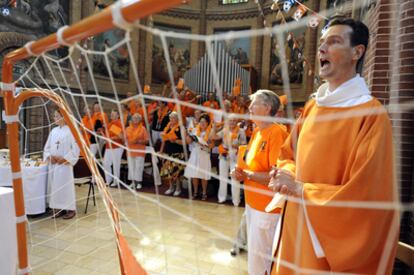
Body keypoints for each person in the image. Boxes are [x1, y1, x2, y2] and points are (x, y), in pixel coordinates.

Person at [269, 18, 399, 274]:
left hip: (328, 245)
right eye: (321, 44)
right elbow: (288, 154)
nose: (322, 49)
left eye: (334, 42)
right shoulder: (312, 107)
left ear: (357, 52)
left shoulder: (371, 115)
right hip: (295, 228)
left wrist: (301, 189)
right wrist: (285, 174)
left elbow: (367, 195)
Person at [231, 89, 288, 275]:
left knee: (262, 260)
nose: (249, 107)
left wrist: (247, 175)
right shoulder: (256, 132)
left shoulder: (276, 132)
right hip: (252, 203)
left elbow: (275, 175)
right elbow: (252, 165)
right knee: (255, 257)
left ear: (267, 108)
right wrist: (241, 172)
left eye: (253, 103)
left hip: (267, 208)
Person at [43, 109, 80, 219]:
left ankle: (71, 209)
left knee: (65, 186)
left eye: (58, 116)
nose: (56, 118)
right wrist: (50, 156)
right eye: (54, 116)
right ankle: (58, 208)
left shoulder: (72, 131)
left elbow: (76, 149)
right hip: (54, 164)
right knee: (55, 187)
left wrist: (65, 159)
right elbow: (47, 147)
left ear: (65, 117)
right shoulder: (53, 131)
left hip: (65, 165)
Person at [211, 115, 246, 206]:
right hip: (224, 155)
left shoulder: (241, 131)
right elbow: (214, 137)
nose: (232, 122)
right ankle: (222, 198)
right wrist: (214, 127)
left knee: (235, 178)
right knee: (222, 177)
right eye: (230, 120)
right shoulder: (224, 130)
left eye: (234, 120)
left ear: (237, 121)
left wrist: (234, 146)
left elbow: (244, 145)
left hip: (235, 155)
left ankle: (236, 201)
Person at [184, 113, 213, 201]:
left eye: (204, 122)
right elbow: (188, 142)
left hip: (204, 154)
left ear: (208, 123)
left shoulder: (210, 132)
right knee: (194, 174)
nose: (202, 124)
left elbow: (212, 144)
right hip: (195, 153)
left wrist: (205, 145)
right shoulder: (195, 130)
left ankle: (204, 193)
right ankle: (195, 192)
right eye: (201, 122)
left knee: (203, 175)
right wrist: (187, 135)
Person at [160, 112, 186, 196]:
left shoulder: (181, 128)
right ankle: (171, 187)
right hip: (168, 152)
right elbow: (164, 140)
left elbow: (185, 142)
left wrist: (175, 141)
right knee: (169, 171)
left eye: (173, 118)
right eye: (170, 118)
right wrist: (161, 151)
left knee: (176, 172)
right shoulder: (167, 127)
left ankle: (178, 188)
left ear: (178, 119)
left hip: (178, 152)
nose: (171, 120)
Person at [125, 113, 148, 190]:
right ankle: (133, 182)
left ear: (140, 120)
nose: (135, 120)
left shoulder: (143, 129)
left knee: (139, 167)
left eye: (137, 118)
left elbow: (147, 140)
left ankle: (139, 183)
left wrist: (139, 141)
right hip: (130, 150)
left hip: (139, 150)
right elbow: (125, 139)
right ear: (131, 119)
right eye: (134, 118)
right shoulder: (127, 128)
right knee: (131, 167)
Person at [103, 109, 124, 187]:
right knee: (106, 163)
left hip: (117, 147)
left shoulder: (118, 123)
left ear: (118, 116)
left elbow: (121, 136)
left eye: (114, 114)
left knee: (116, 164)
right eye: (111, 114)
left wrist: (111, 138)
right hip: (108, 146)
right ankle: (108, 180)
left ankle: (116, 181)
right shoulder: (110, 124)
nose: (112, 115)